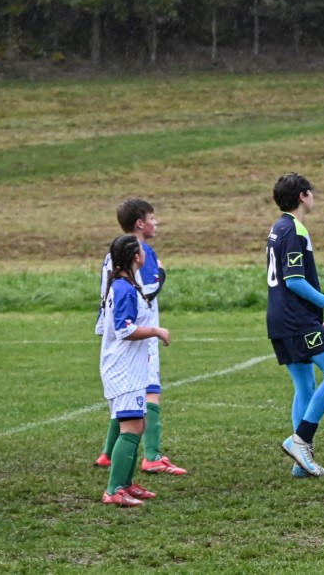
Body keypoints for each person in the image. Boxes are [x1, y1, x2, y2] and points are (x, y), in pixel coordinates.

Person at [267, 173, 324, 477]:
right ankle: (300, 440)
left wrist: (316, 320)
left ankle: (300, 464)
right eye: (311, 193)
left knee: (304, 385)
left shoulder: (278, 227)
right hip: (295, 319)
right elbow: (294, 280)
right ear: (303, 196)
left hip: (282, 317)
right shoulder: (294, 229)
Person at [94, 198, 186, 475]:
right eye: (152, 218)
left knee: (127, 400)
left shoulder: (114, 251)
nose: (156, 223)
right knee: (150, 391)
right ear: (139, 223)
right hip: (138, 333)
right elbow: (145, 292)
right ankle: (153, 456)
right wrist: (161, 273)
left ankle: (108, 453)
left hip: (114, 334)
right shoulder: (140, 251)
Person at [99, 234, 172, 506]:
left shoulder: (125, 285)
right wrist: (155, 331)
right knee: (130, 427)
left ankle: (126, 484)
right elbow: (124, 329)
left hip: (130, 368)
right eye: (142, 251)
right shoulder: (125, 289)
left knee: (137, 425)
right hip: (123, 370)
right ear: (135, 257)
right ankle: (114, 490)